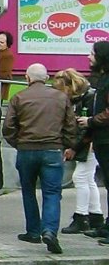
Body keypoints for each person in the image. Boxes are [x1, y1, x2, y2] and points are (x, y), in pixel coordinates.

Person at [4, 63, 79, 254]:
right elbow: (71, 125)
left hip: (26, 149)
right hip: (52, 149)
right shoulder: (61, 97)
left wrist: (19, 143)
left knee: (28, 191)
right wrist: (67, 144)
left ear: (27, 78)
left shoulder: (19, 97)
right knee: (52, 193)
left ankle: (33, 231)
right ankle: (50, 231)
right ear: (46, 78)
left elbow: (8, 127)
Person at [54, 69, 102, 235]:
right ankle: (95, 214)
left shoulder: (87, 99)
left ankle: (81, 216)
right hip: (90, 142)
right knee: (88, 178)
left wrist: (73, 147)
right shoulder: (87, 97)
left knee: (80, 177)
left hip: (89, 143)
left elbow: (85, 128)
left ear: (69, 86)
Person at [77, 41, 109, 243]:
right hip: (101, 138)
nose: (89, 57)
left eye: (92, 53)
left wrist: (91, 121)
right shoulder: (102, 78)